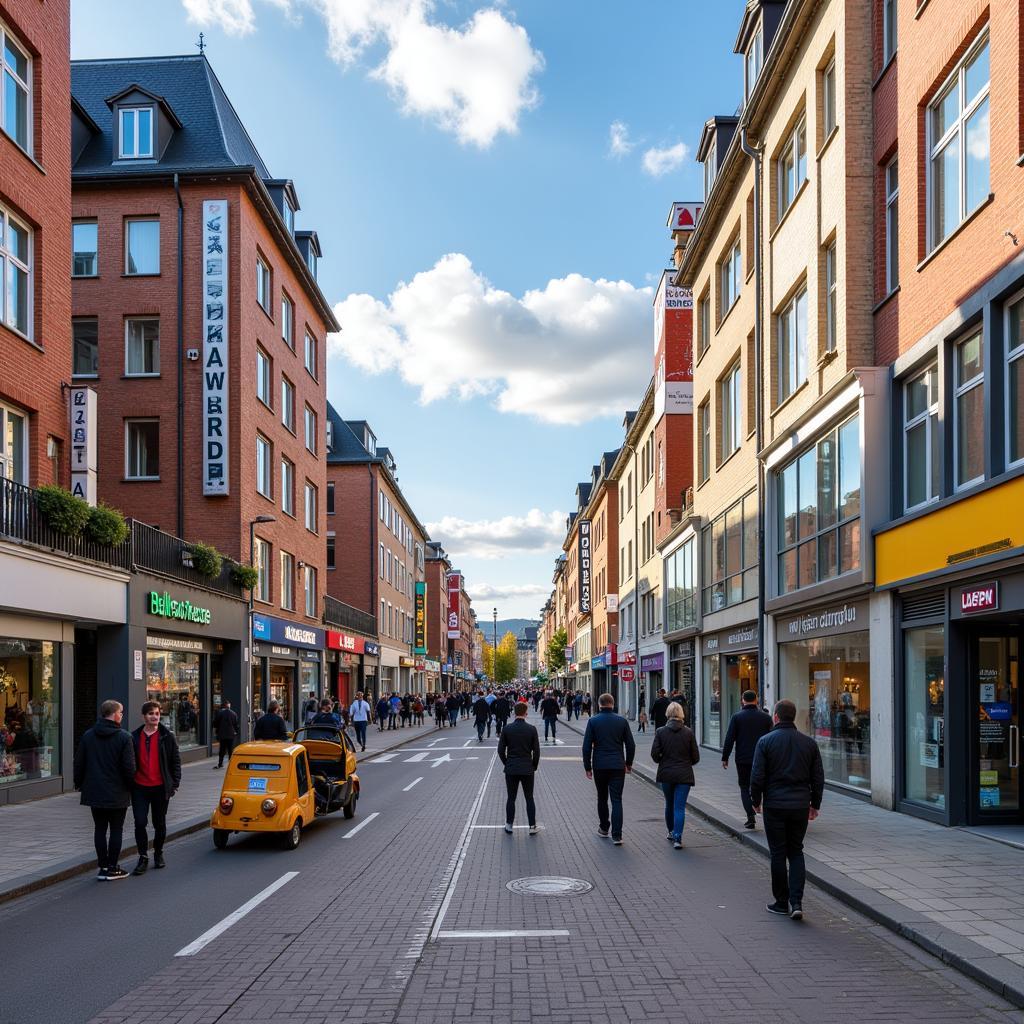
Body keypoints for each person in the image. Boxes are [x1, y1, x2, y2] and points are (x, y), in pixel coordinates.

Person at [750, 699, 825, 921]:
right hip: (800, 805)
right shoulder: (809, 743)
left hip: (774, 805)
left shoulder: (765, 742)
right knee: (796, 851)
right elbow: (818, 778)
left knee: (778, 853)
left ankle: (781, 902)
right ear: (794, 717)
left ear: (775, 717)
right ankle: (797, 902)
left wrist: (756, 800)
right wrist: (815, 804)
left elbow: (757, 776)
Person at [73, 699, 136, 881]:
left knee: (99, 829)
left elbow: (79, 763)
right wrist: (131, 788)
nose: (122, 715)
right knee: (116, 829)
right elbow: (129, 768)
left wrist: (80, 784)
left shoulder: (88, 736)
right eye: (121, 712)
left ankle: (103, 866)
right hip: (117, 792)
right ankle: (113, 867)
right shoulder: (124, 737)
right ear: (115, 715)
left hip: (94, 791)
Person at [130, 701, 182, 875]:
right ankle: (143, 857)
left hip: (160, 788)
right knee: (140, 822)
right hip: (140, 787)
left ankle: (158, 853)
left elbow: (175, 761)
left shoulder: (167, 736)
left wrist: (174, 784)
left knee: (159, 824)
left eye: (157, 714)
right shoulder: (134, 737)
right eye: (151, 713)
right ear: (144, 716)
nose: (155, 716)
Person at [582, 693, 636, 845]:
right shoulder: (621, 721)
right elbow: (631, 745)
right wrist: (628, 763)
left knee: (602, 797)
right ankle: (617, 835)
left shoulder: (593, 721)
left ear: (599, 704)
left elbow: (586, 747)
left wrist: (587, 766)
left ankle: (604, 828)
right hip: (618, 765)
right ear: (613, 704)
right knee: (617, 799)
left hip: (600, 765)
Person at [721, 689, 773, 830]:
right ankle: (761, 807)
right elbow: (772, 739)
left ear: (742, 700)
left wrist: (725, 757)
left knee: (744, 787)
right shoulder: (766, 718)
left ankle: (750, 817)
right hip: (762, 759)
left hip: (743, 758)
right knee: (762, 785)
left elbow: (729, 738)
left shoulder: (737, 717)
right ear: (756, 700)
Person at [650, 702, 699, 849]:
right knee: (679, 807)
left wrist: (661, 760)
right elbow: (696, 757)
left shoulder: (660, 732)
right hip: (684, 774)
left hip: (666, 773)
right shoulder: (688, 732)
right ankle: (678, 837)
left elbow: (654, 754)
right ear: (681, 714)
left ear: (667, 714)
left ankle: (671, 832)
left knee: (669, 804)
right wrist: (686, 762)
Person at [497, 702, 541, 834]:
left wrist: (507, 763)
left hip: (511, 767)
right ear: (526, 713)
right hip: (527, 767)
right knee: (529, 797)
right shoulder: (532, 729)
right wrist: (533, 765)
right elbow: (537, 752)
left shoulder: (507, 729)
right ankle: (532, 826)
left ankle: (509, 825)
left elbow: (500, 750)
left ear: (514, 712)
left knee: (511, 797)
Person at [212, 699, 239, 769]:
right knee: (230, 750)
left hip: (222, 734)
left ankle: (220, 763)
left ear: (223, 706)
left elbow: (215, 723)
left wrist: (217, 730)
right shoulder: (234, 714)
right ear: (229, 706)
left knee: (222, 749)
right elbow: (236, 725)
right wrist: (236, 731)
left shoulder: (220, 713)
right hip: (231, 734)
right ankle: (231, 764)